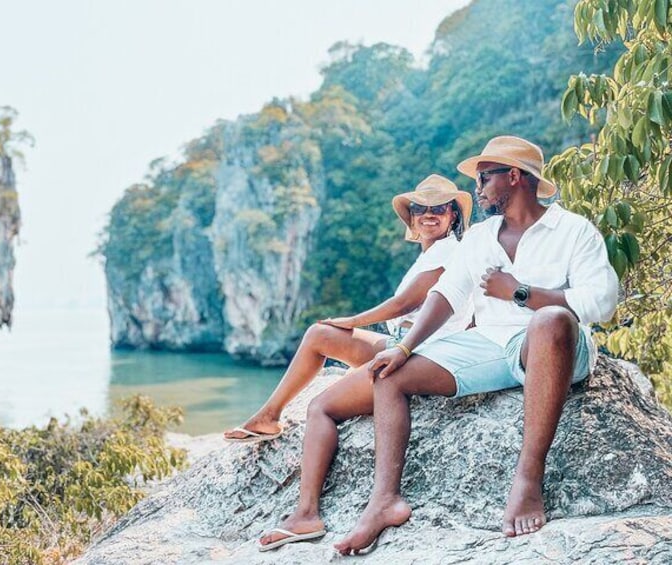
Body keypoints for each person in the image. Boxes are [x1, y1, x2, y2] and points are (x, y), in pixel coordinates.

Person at [333, 136, 620, 555]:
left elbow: (602, 301)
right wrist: (405, 348)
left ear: (516, 177)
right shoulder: (481, 236)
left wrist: (520, 292)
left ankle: (528, 477)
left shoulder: (572, 230)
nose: (477, 188)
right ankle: (384, 501)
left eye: (485, 177)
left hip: (554, 348)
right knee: (390, 374)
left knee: (551, 319)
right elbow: (447, 293)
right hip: (490, 344)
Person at [223, 174, 474, 551]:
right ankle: (269, 415)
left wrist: (352, 321)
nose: (428, 215)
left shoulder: (451, 252)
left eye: (439, 208)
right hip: (399, 343)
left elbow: (404, 304)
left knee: (321, 407)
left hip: (422, 354)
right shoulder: (431, 252)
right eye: (421, 208)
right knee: (317, 335)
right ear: (411, 216)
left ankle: (306, 513)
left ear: (453, 214)